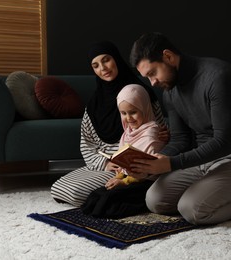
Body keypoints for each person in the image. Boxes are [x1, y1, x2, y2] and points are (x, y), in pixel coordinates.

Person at [128, 32, 231, 225]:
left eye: (152, 73)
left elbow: (224, 143)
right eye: (147, 77)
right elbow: (180, 140)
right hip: (204, 160)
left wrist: (170, 164)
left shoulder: (219, 77)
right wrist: (149, 165)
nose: (153, 83)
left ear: (168, 56)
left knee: (192, 210)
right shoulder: (170, 90)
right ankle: (209, 191)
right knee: (155, 201)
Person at [51, 41, 167, 207]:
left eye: (106, 60)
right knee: (59, 188)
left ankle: (136, 186)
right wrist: (104, 163)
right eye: (96, 65)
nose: (103, 68)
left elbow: (158, 129)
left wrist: (165, 136)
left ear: (117, 59)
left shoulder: (141, 93)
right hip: (105, 164)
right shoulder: (94, 104)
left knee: (77, 194)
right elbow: (87, 144)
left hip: (133, 168)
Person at [81, 84, 166, 218]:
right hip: (128, 179)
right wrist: (117, 177)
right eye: (123, 113)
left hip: (146, 182)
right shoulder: (128, 133)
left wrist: (123, 182)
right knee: (95, 196)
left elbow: (147, 171)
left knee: (110, 201)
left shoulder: (153, 133)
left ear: (145, 108)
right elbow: (123, 163)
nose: (128, 118)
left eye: (133, 112)